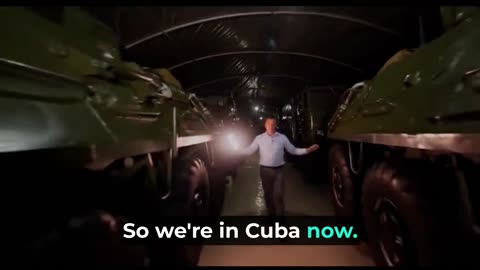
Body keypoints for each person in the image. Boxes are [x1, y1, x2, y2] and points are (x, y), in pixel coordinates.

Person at [238, 117, 319, 218]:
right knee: (268, 196)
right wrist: (237, 151)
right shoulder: (259, 138)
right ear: (265, 125)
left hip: (279, 171)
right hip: (265, 171)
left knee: (278, 196)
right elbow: (249, 150)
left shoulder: (282, 138)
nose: (271, 126)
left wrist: (307, 150)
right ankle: (271, 218)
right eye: (269, 124)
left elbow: (293, 150)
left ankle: (280, 222)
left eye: (273, 124)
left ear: (275, 125)